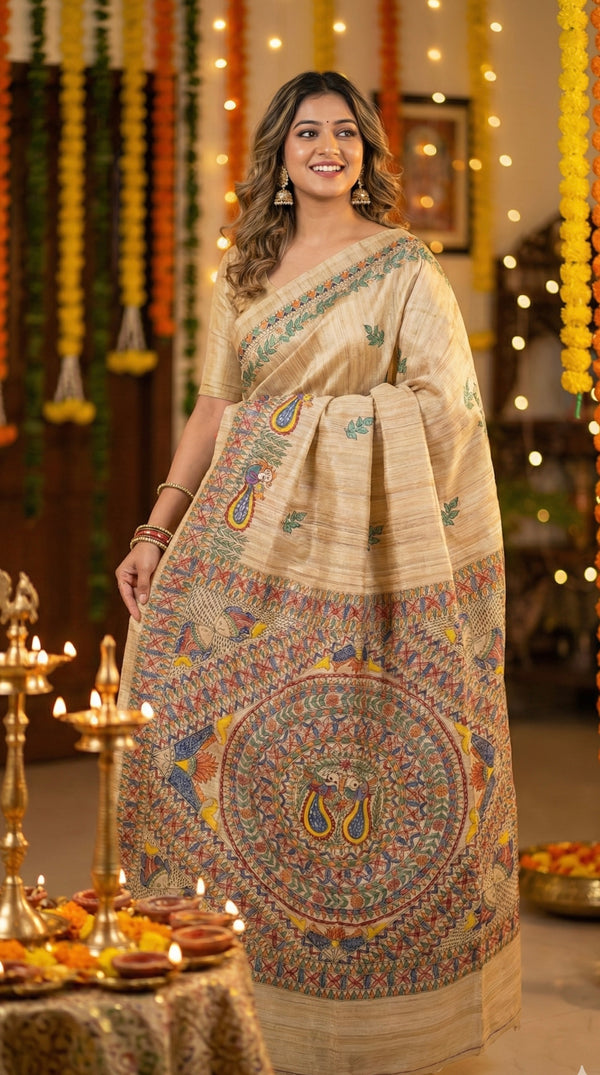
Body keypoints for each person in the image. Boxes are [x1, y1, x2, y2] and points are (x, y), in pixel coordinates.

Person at [116, 71, 520, 1075]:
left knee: (364, 778)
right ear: (281, 156)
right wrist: (154, 532)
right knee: (191, 746)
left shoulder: (403, 270)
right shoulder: (245, 273)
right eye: (308, 132)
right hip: (243, 560)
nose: (328, 146)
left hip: (372, 573)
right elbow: (216, 411)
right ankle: (226, 999)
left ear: (368, 153)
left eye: (345, 132)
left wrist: (313, 432)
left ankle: (372, 1027)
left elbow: (449, 412)